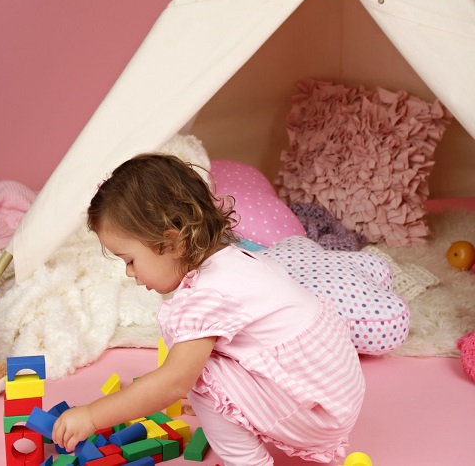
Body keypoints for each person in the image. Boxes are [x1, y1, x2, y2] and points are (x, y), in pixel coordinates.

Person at [51, 153, 365, 466]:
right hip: (334, 391)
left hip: (316, 410)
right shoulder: (235, 260)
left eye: (130, 260)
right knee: (192, 364)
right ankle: (242, 404)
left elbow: (172, 383)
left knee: (194, 375)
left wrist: (92, 415)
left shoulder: (206, 296)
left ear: (173, 243)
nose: (129, 273)